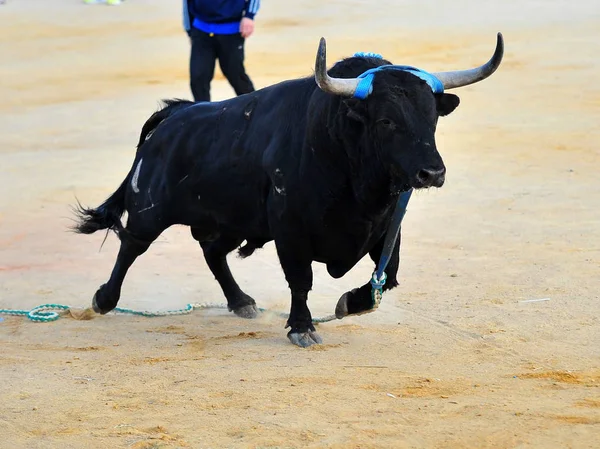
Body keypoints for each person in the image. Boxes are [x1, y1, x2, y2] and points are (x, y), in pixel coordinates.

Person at [183, 0, 260, 102]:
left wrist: (249, 16)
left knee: (236, 76)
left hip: (231, 30)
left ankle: (255, 109)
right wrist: (189, 30)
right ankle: (203, 115)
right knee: (198, 78)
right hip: (201, 30)